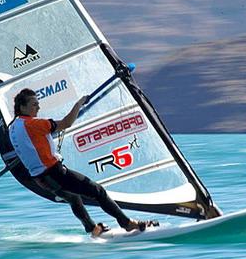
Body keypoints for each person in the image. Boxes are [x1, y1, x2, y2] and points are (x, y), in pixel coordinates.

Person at [9, 88, 157, 237]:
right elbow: (67, 123)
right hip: (55, 173)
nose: (38, 107)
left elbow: (30, 142)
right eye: (34, 104)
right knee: (98, 191)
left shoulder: (13, 127)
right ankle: (126, 223)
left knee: (74, 198)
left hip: (41, 179)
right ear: (22, 107)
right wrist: (79, 104)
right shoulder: (34, 124)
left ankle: (92, 228)